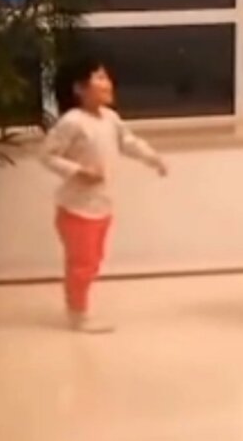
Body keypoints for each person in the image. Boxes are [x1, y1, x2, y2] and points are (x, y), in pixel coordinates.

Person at [41, 55, 167, 333]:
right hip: (76, 208)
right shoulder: (72, 122)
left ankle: (79, 305)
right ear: (79, 88)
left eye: (106, 77)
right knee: (82, 263)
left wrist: (152, 158)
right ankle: (78, 313)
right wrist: (78, 171)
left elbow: (129, 142)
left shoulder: (110, 119)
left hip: (101, 206)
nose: (107, 83)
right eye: (98, 77)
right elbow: (47, 155)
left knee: (92, 261)